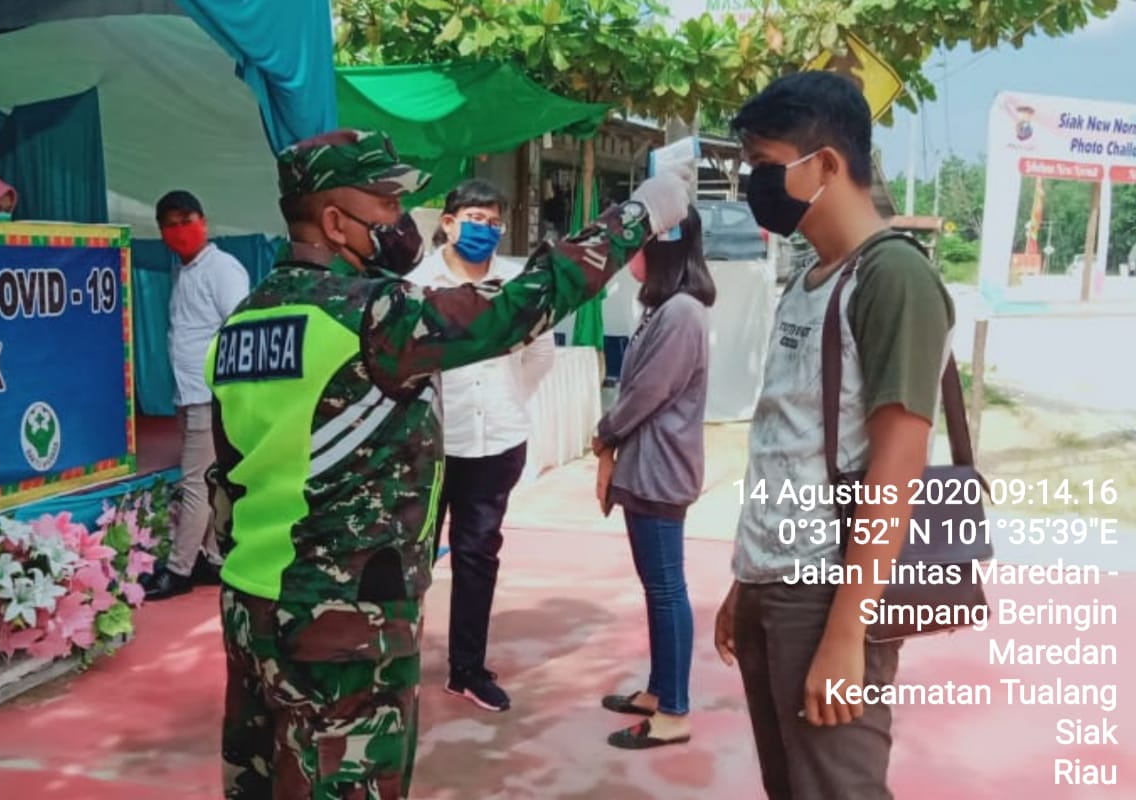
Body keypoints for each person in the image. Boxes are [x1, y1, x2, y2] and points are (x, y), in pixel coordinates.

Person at [208, 129, 690, 798]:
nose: (400, 222)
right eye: (383, 204)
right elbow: (525, 304)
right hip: (343, 626)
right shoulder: (372, 317)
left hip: (250, 609)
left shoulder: (244, 321)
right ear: (334, 221)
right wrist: (642, 213)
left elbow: (226, 479)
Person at [713, 72, 954, 799]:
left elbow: (897, 464)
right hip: (775, 584)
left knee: (837, 789)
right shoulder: (811, 277)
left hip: (827, 593)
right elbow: (791, 442)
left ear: (823, 164)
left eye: (763, 164)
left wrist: (847, 632)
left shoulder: (892, 279)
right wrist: (746, 578)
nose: (754, 182)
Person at [405, 179, 556, 713]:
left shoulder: (516, 285)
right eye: (474, 218)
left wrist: (504, 401)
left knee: (477, 556)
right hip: (430, 446)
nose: (484, 230)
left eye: (493, 223)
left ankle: (466, 669)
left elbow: (539, 355)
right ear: (448, 222)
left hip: (496, 442)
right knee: (411, 555)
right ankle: (395, 663)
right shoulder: (417, 286)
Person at [593, 206, 715, 750]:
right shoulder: (666, 308)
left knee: (667, 590)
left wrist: (605, 432)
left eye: (635, 243)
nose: (629, 255)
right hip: (649, 469)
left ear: (663, 246)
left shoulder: (682, 312)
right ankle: (659, 689)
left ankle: (674, 711)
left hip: (661, 472)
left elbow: (647, 392)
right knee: (657, 587)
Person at [146, 190, 250, 600]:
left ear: (204, 222)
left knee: (193, 481)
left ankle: (179, 569)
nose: (178, 231)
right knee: (207, 481)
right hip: (187, 393)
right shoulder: (185, 270)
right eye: (168, 225)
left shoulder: (222, 269)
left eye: (185, 220)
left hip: (211, 395)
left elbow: (238, 329)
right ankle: (210, 557)